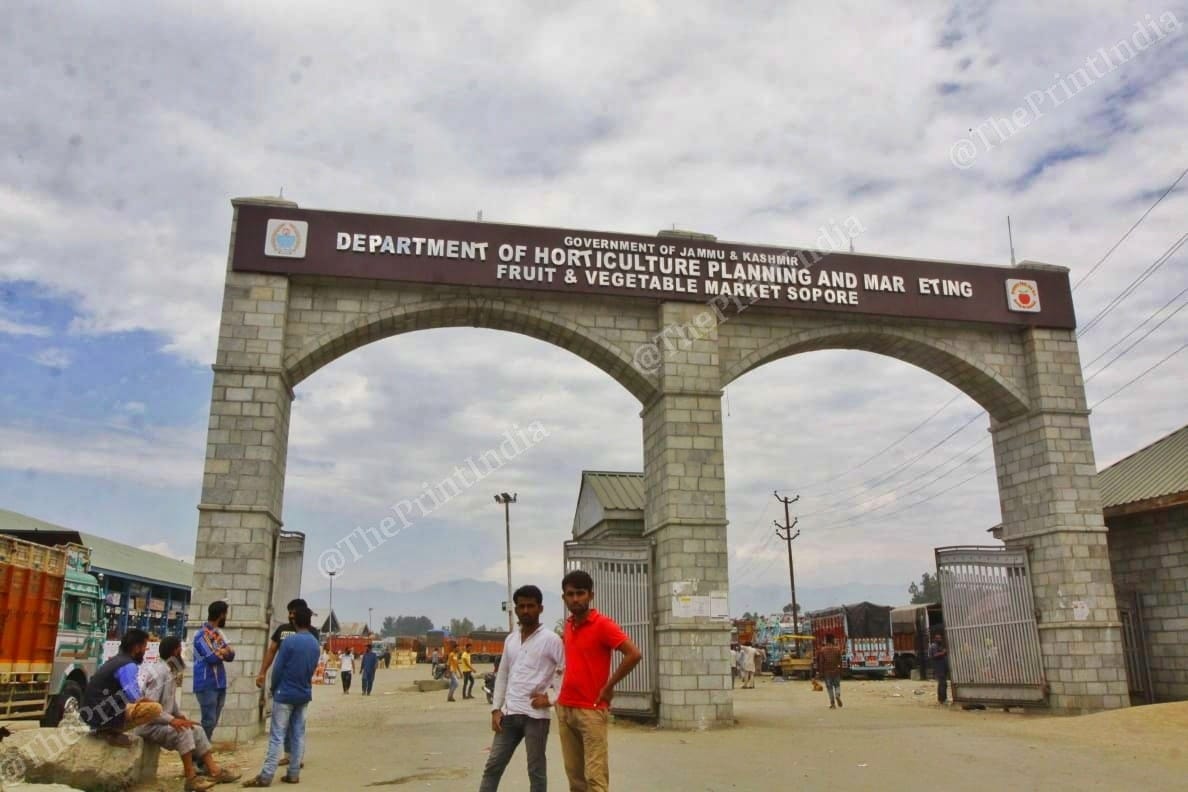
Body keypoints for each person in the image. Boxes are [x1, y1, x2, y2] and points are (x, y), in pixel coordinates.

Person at [556, 569, 642, 792]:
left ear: (591, 595)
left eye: (580, 593)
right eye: (570, 594)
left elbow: (634, 654)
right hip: (565, 708)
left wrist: (609, 686)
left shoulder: (603, 624)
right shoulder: (567, 625)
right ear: (564, 597)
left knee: (595, 779)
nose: (575, 599)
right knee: (575, 778)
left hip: (591, 710)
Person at [479, 585, 564, 792]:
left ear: (540, 608)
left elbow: (564, 671)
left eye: (531, 606)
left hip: (536, 716)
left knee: (536, 770)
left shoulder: (551, 640)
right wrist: (496, 709)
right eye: (521, 606)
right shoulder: (511, 639)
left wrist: (551, 698)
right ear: (515, 609)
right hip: (509, 714)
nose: (526, 610)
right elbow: (503, 676)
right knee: (493, 766)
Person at [137, 636, 240, 791]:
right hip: (150, 726)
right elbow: (151, 709)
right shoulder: (159, 674)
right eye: (180, 649)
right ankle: (190, 778)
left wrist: (181, 717)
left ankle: (214, 771)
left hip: (163, 721)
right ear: (175, 651)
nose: (182, 653)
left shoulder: (169, 672)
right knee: (183, 731)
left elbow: (170, 702)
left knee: (196, 729)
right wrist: (173, 721)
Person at [243, 607, 320, 787]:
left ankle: (266, 775)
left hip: (285, 693)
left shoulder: (289, 641)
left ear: (295, 621)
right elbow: (312, 668)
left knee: (277, 735)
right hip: (303, 692)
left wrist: (274, 687)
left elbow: (278, 669)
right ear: (308, 622)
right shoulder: (315, 643)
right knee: (298, 734)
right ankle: (293, 773)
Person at [81, 628, 164, 747]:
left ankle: (110, 730)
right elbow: (133, 695)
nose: (146, 650)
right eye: (145, 646)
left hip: (94, 713)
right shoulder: (128, 665)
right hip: (102, 713)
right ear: (136, 647)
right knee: (155, 709)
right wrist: (147, 702)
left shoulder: (116, 661)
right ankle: (111, 731)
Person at [192, 601, 235, 742]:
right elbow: (211, 658)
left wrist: (221, 652)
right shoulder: (201, 634)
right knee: (208, 720)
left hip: (219, 682)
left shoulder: (217, 634)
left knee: (213, 720)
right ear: (222, 614)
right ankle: (199, 754)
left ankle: (202, 753)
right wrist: (223, 652)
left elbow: (231, 655)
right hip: (206, 682)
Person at [817, 634, 843, 709]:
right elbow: (840, 661)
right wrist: (841, 671)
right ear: (832, 640)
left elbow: (821, 662)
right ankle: (837, 695)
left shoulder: (823, 650)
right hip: (836, 670)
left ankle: (833, 704)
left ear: (826, 640)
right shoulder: (837, 649)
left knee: (829, 688)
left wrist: (820, 673)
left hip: (827, 672)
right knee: (837, 685)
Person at [929, 633, 949, 704]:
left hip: (942, 667)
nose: (939, 639)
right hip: (939, 667)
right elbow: (934, 655)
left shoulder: (939, 646)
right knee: (942, 683)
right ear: (935, 639)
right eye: (938, 638)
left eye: (940, 638)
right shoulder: (934, 646)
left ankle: (942, 699)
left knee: (943, 683)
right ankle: (942, 700)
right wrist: (943, 653)